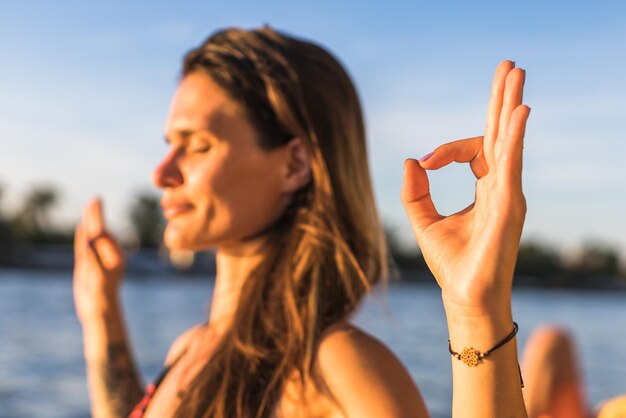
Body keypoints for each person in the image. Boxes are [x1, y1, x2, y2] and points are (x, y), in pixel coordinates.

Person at [73, 26, 530, 418]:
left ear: (294, 164)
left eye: (198, 145)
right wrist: (101, 313)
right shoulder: (189, 350)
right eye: (170, 143)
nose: (162, 172)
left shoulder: (337, 369)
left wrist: (476, 314)